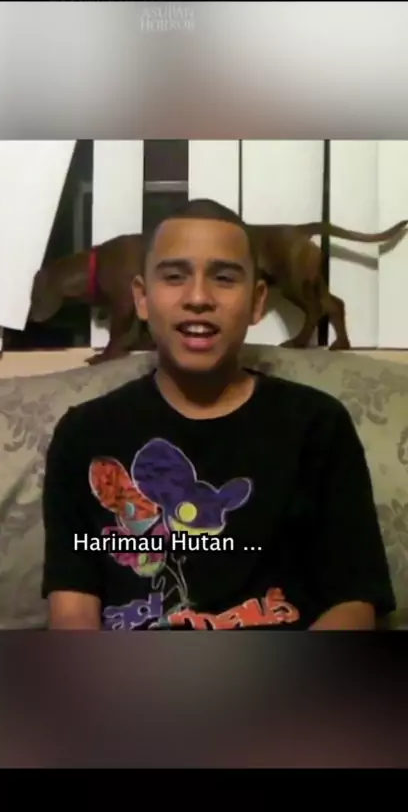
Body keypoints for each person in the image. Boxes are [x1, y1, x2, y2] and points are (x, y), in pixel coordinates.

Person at [41, 199, 395, 630]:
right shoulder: (84, 434)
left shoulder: (318, 425)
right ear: (142, 298)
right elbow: (72, 611)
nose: (198, 298)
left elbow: (354, 605)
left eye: (224, 278)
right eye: (174, 277)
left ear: (257, 301)